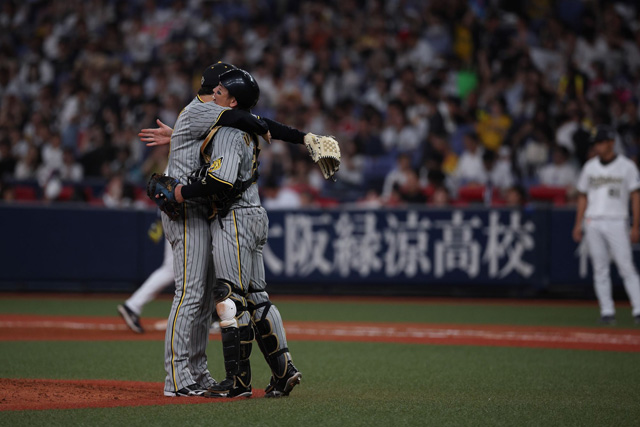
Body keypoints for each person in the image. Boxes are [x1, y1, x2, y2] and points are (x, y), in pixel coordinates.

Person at [167, 69, 301, 398]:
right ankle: (284, 372)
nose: (215, 91)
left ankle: (238, 382)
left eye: (221, 90)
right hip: (255, 212)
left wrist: (182, 191)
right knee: (258, 299)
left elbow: (221, 181)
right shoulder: (244, 128)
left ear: (233, 101)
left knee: (230, 299)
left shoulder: (228, 128)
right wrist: (177, 136)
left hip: (235, 217)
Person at [572, 125, 640, 325]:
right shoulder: (590, 167)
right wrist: (578, 224)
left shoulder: (627, 166)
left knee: (626, 266)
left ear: (611, 142)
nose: (598, 146)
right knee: (600, 268)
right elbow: (582, 196)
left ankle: (638, 309)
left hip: (617, 220)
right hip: (593, 220)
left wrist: (636, 225)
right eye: (596, 143)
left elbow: (636, 196)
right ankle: (607, 311)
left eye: (601, 142)